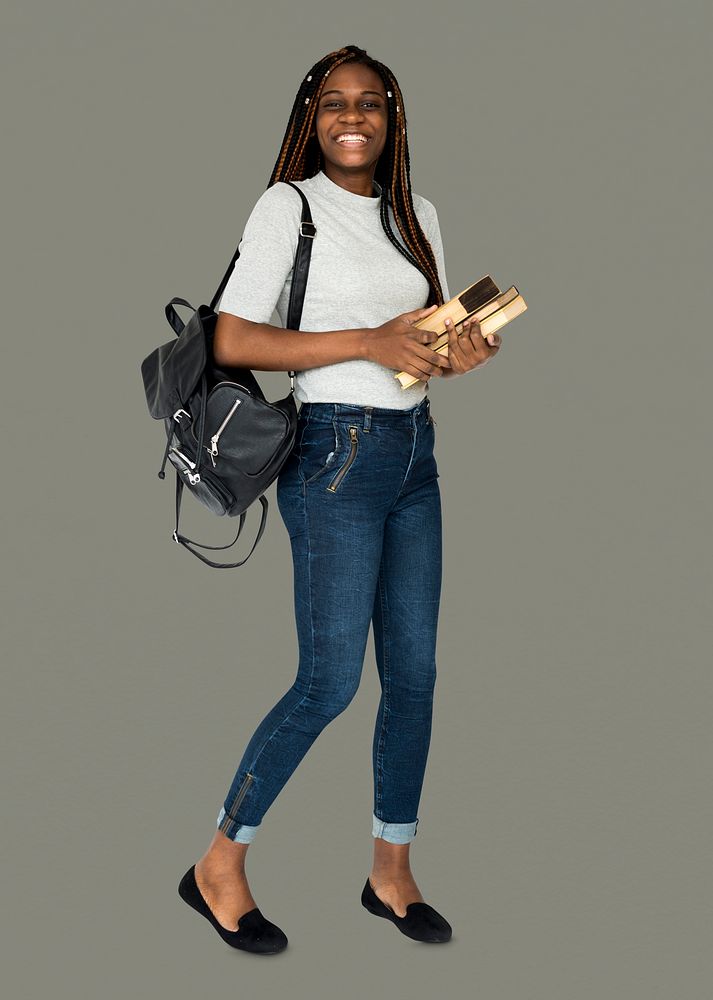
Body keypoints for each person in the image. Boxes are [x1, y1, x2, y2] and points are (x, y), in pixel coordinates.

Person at [178, 44, 501, 954]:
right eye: (332, 103)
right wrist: (369, 341)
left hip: (413, 456)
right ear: (310, 118)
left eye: (369, 102)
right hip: (333, 457)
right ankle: (218, 862)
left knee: (416, 678)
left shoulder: (417, 213)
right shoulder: (289, 207)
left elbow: (419, 340)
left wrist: (459, 350)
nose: (350, 116)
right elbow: (234, 337)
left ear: (393, 119)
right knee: (327, 682)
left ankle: (389, 870)